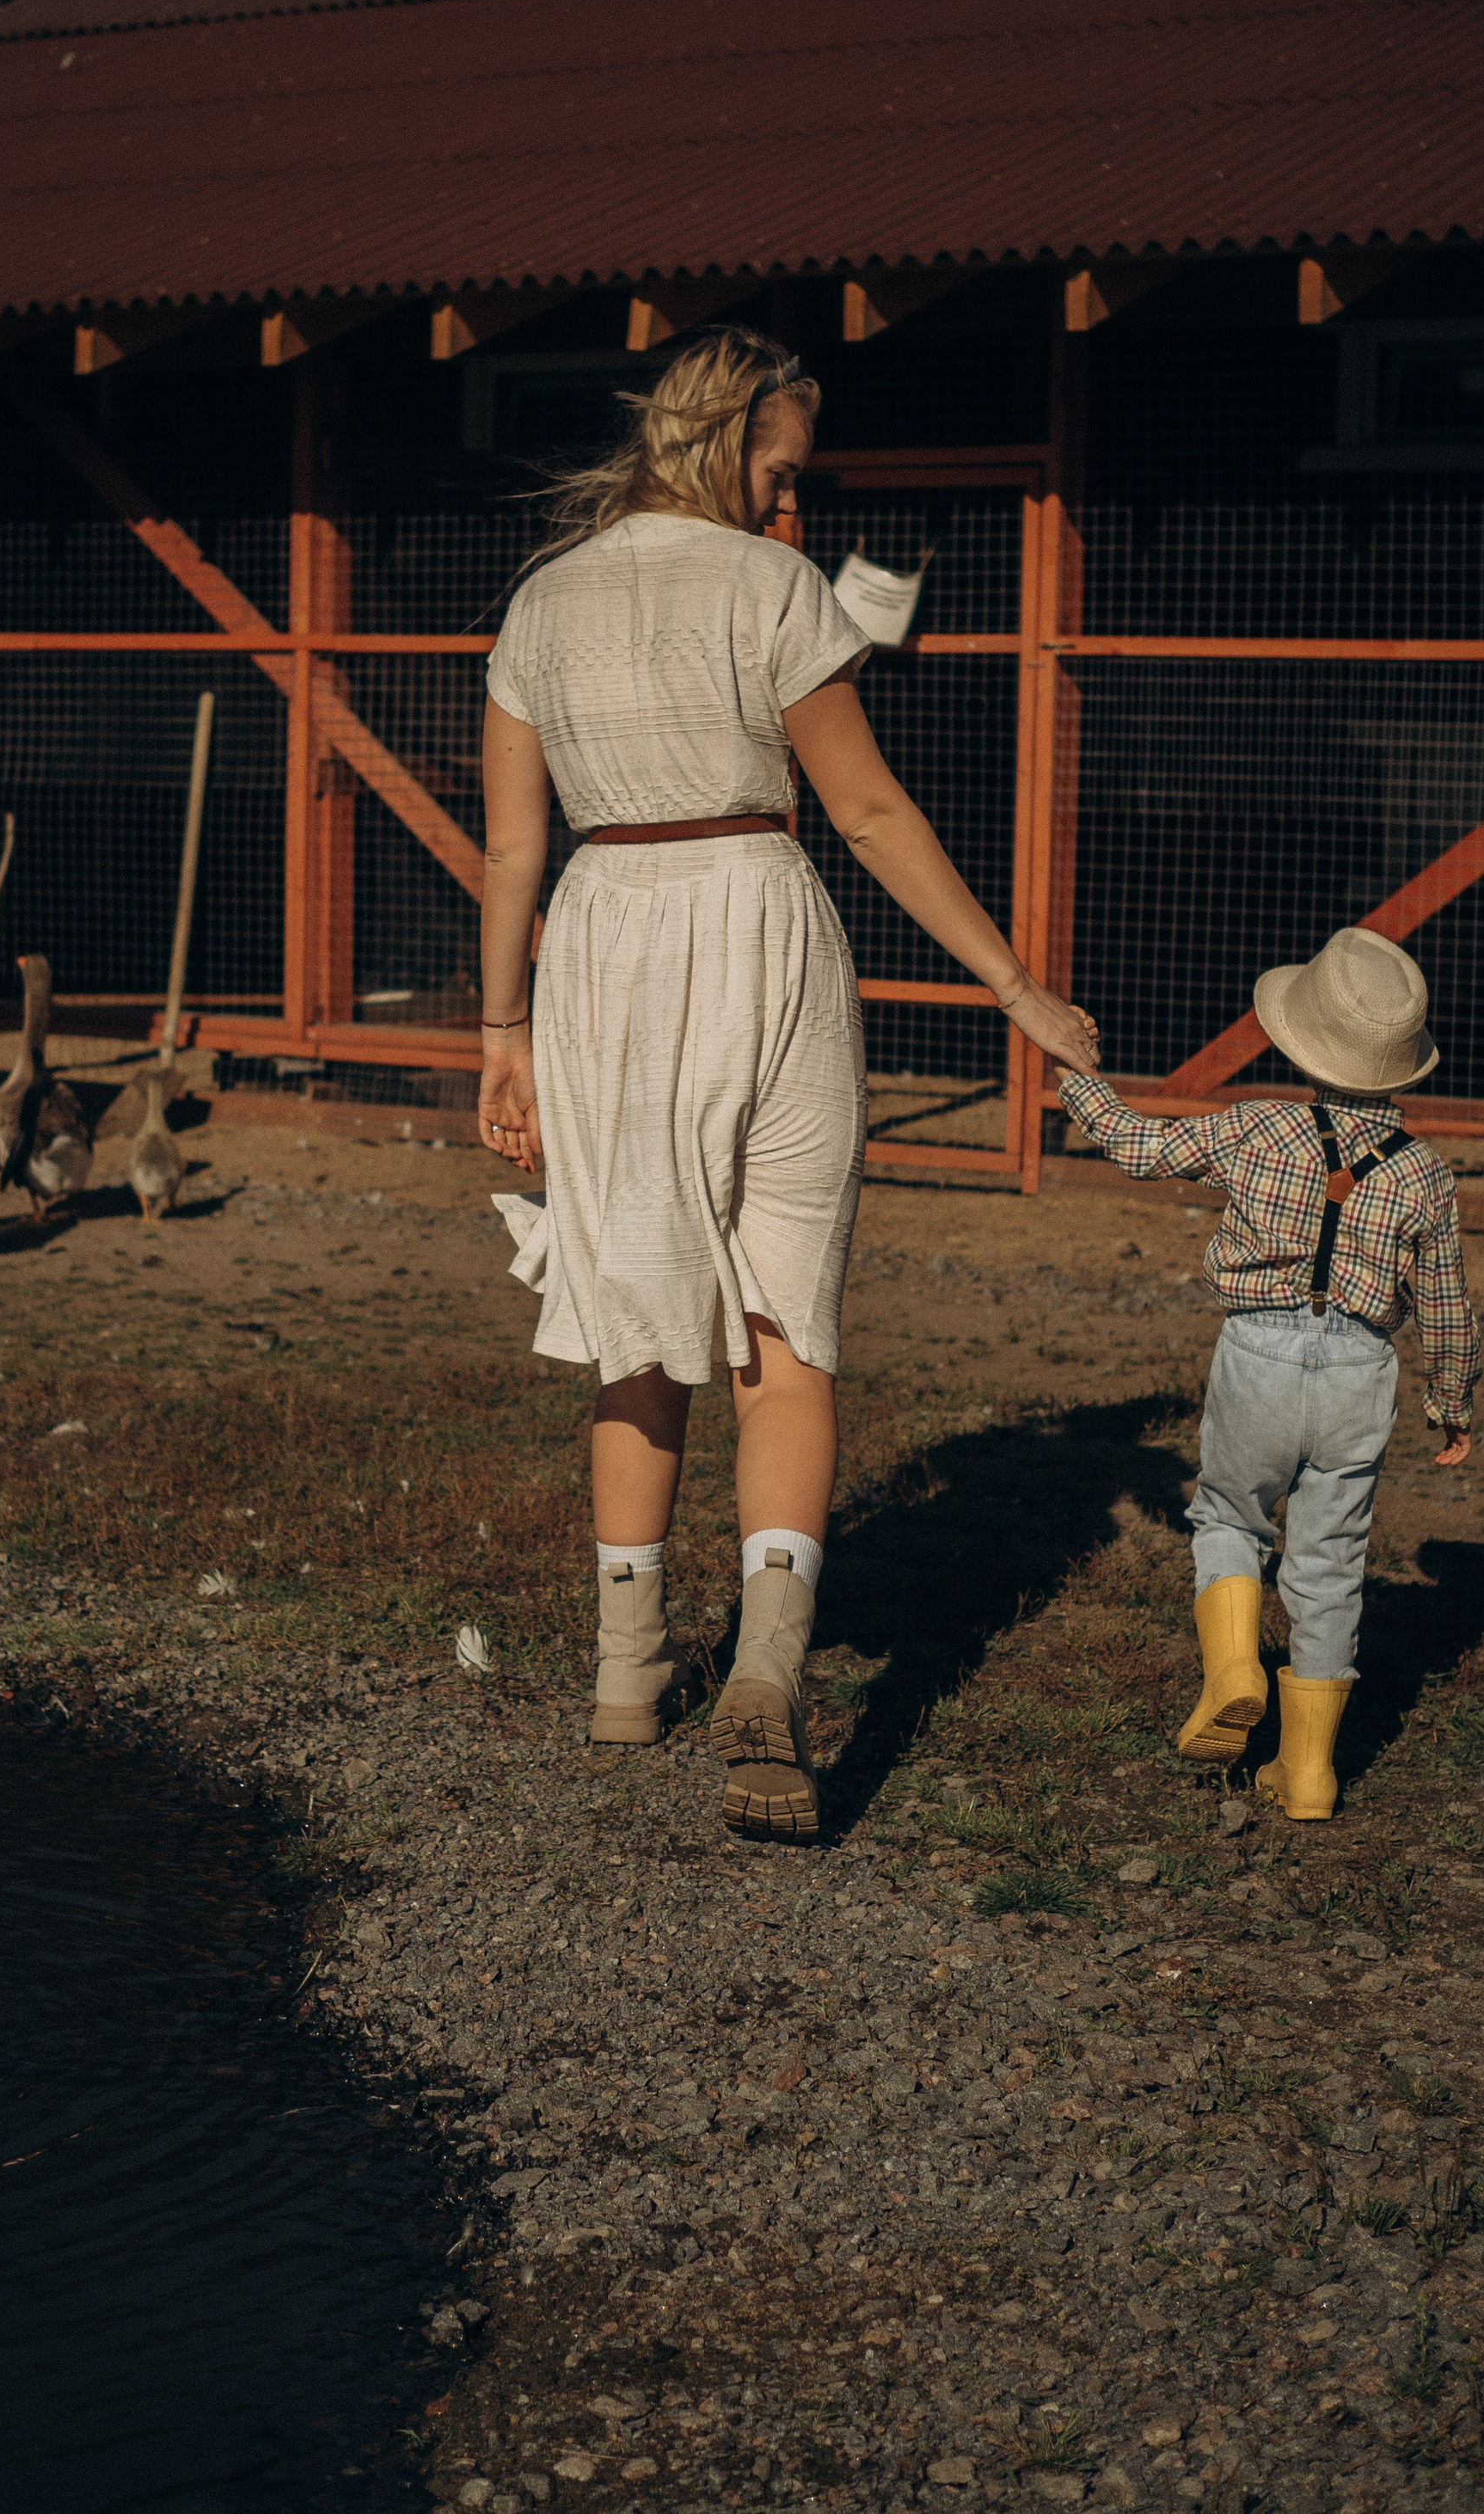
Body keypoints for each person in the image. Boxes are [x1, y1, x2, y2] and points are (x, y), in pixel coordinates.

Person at [475, 328, 1101, 1843]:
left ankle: (628, 1677)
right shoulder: (774, 593)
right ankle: (765, 1666)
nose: (795, 505)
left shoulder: (541, 602)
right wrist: (1013, 985)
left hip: (603, 943)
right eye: (785, 471)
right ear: (727, 443)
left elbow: (510, 850)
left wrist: (499, 1031)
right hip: (760, 919)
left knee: (637, 1315)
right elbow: (869, 807)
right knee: (782, 1321)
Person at [1058, 925, 1480, 1822]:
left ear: (1302, 1040)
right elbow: (1444, 1300)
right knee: (1328, 1564)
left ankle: (1233, 1666)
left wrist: (1079, 1081)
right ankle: (1310, 1772)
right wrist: (1450, 1399)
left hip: (1257, 1348)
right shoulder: (1425, 1175)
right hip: (1360, 1368)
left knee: (1226, 1514)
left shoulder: (1258, 1124)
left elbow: (1139, 1149)